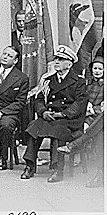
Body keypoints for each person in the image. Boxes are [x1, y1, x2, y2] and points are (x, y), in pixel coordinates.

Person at [20, 45, 87, 183]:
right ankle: (30, 165)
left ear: (69, 64)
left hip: (69, 120)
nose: (56, 61)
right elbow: (38, 99)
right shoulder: (48, 80)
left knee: (58, 130)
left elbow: (80, 103)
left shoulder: (79, 81)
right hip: (50, 116)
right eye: (56, 59)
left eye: (61, 59)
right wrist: (43, 112)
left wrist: (63, 114)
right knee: (34, 127)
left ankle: (58, 169)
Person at [58, 56, 104, 187]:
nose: (97, 71)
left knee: (94, 126)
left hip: (96, 116)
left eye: (100, 68)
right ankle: (76, 148)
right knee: (89, 128)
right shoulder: (87, 84)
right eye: (95, 68)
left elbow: (102, 107)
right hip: (89, 116)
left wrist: (94, 110)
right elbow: (81, 100)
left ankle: (75, 145)